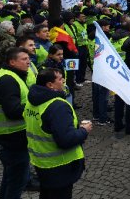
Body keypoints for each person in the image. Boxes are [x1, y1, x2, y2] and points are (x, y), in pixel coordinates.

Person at [24, 68, 91, 199]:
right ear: (50, 85)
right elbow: (66, 139)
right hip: (59, 166)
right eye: (60, 79)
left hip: (41, 162)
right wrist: (84, 130)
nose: (64, 81)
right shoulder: (57, 106)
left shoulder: (31, 101)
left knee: (46, 194)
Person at [0, 47, 31, 199]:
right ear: (12, 62)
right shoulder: (8, 80)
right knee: (18, 181)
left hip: (8, 137)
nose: (29, 61)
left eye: (28, 58)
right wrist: (35, 107)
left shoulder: (6, 75)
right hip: (12, 139)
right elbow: (12, 111)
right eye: (24, 59)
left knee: (10, 177)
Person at [111, 21, 130, 135]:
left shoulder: (113, 38)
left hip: (116, 73)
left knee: (118, 100)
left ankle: (118, 124)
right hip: (127, 74)